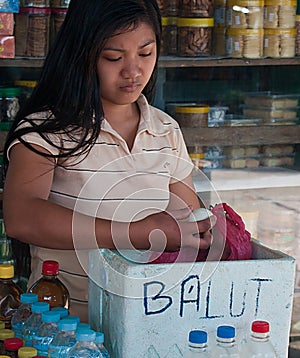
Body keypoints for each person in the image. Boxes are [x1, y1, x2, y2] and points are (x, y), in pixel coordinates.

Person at [3, 0, 214, 322]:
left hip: (146, 319)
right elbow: (22, 217)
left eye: (146, 54)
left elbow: (187, 219)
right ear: (81, 55)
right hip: (67, 328)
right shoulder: (47, 130)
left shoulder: (165, 129)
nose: (133, 71)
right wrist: (135, 232)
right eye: (113, 57)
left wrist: (208, 232)